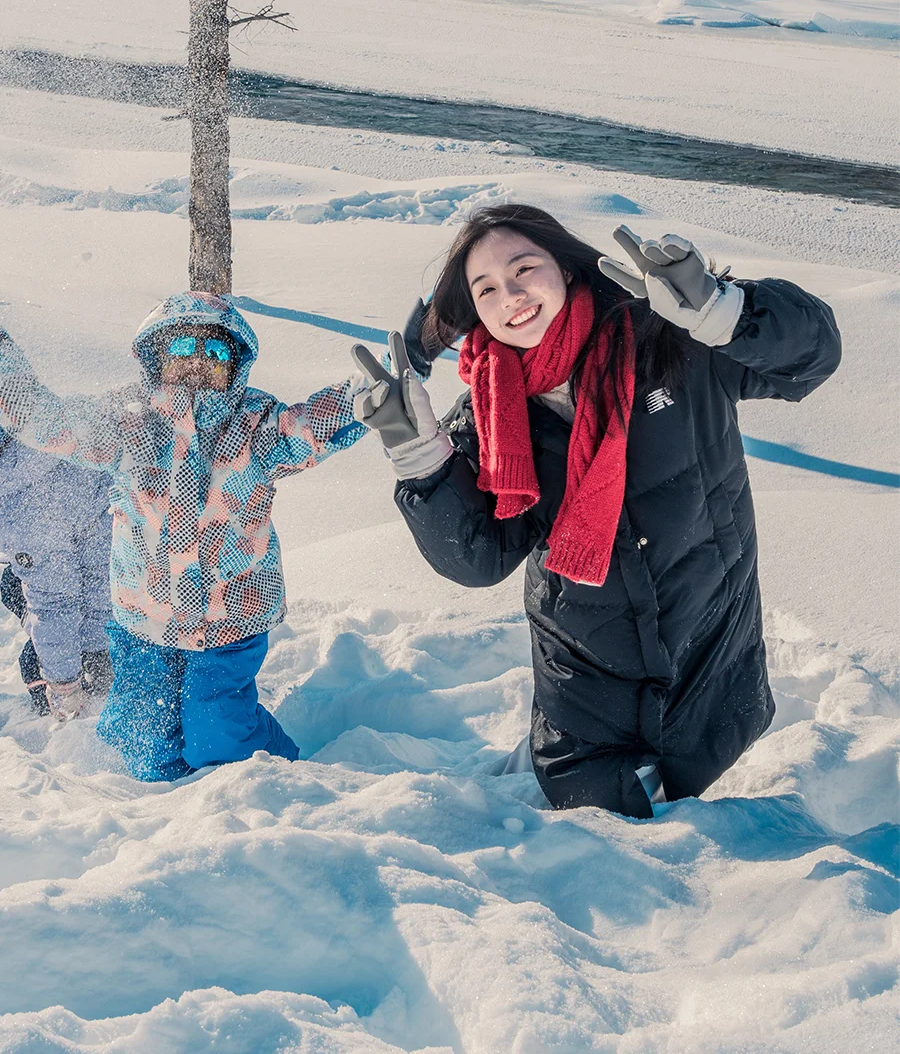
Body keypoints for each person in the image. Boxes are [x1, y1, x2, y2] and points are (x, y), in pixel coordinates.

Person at [351, 204, 841, 818]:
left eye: (524, 267)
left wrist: (723, 310)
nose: (511, 295)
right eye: (487, 289)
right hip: (582, 669)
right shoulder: (486, 417)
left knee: (724, 810)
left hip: (708, 646)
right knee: (595, 835)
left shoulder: (671, 336)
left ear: (566, 266)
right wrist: (421, 460)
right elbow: (478, 559)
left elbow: (812, 359)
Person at [0, 292, 366, 780]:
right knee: (146, 743)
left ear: (235, 363)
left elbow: (315, 423)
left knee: (217, 730)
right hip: (143, 617)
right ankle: (177, 807)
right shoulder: (126, 422)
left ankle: (286, 776)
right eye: (182, 349)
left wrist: (373, 392)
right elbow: (48, 421)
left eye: (214, 352)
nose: (196, 361)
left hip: (229, 617)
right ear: (156, 359)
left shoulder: (253, 425)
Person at [0, 430, 112, 720]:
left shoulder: (24, 505)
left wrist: (64, 685)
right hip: (116, 609)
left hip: (106, 637)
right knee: (12, 584)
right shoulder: (45, 432)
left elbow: (55, 603)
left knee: (34, 654)